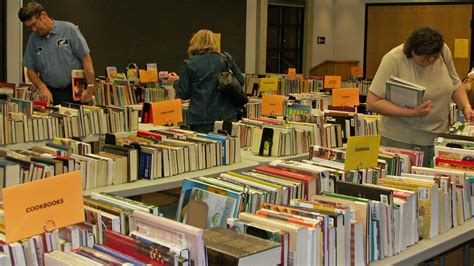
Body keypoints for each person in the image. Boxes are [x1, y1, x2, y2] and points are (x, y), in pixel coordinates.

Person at [366, 27, 473, 167]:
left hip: (438, 139)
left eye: (434, 58)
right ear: (411, 51)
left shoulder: (442, 50)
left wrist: (466, 107)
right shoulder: (393, 59)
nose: (430, 61)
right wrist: (412, 113)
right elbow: (372, 102)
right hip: (402, 141)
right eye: (423, 59)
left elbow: (455, 83)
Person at [18, 1, 96, 105]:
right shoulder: (33, 39)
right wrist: (41, 86)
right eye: (30, 27)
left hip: (77, 91)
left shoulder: (68, 29)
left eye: (34, 24)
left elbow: (86, 59)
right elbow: (30, 70)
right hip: (52, 95)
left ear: (43, 15)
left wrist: (91, 86)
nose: (34, 29)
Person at [168, 29, 244, 133]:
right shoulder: (225, 59)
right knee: (227, 147)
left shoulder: (189, 64)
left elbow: (183, 94)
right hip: (228, 115)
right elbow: (240, 80)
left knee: (205, 148)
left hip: (202, 120)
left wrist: (176, 82)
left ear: (195, 43)